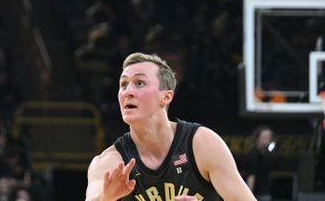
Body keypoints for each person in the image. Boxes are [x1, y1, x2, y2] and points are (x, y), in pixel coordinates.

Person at [85, 52, 256, 201]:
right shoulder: (110, 162)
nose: (128, 91)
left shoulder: (202, 144)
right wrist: (105, 199)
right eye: (123, 84)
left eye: (139, 83)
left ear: (166, 97)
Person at [245, 126, 274, 200]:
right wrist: (248, 196)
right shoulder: (254, 155)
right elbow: (251, 176)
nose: (268, 139)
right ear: (258, 139)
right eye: (265, 137)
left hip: (264, 192)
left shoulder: (265, 154)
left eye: (269, 137)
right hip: (258, 194)